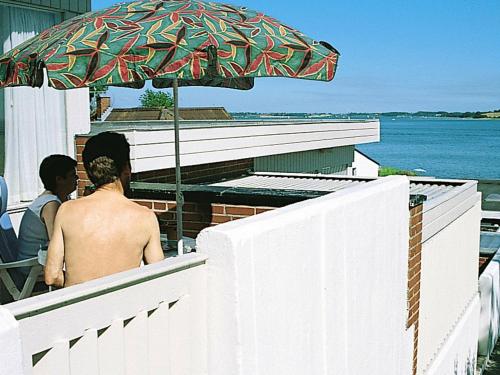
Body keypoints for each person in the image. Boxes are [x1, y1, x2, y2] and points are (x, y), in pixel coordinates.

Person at [45, 132, 164, 288]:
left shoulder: (66, 211)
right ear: (126, 168)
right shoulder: (145, 217)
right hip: (124, 309)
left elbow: (52, 276)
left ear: (88, 172)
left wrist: (81, 285)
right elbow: (159, 276)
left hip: (77, 308)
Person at [17, 155, 77, 276]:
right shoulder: (50, 205)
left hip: (41, 265)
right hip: (34, 271)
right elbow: (58, 243)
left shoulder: (57, 199)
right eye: (72, 175)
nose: (77, 178)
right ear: (59, 179)